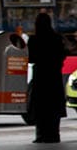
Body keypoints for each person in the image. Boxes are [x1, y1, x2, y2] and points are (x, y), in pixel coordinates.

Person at [28, 12, 67, 143]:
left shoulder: (34, 39)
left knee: (41, 107)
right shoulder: (56, 38)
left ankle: (41, 134)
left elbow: (31, 57)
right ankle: (54, 134)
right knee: (53, 107)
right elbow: (63, 55)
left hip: (41, 77)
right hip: (54, 76)